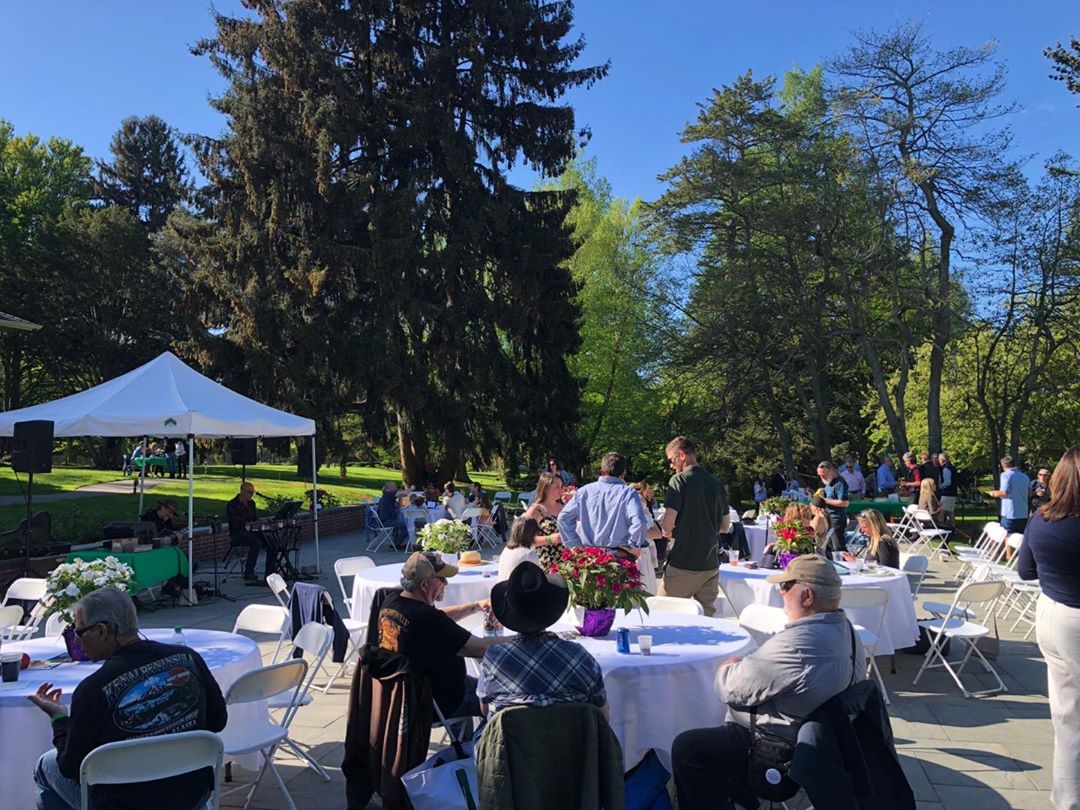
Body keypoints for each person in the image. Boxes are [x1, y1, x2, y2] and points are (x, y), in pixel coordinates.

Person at [671, 555, 863, 809]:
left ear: (807, 596)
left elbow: (730, 687)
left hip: (774, 745)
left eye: (785, 586)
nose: (780, 592)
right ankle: (740, 797)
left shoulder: (799, 644)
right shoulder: (846, 629)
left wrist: (726, 668)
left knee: (687, 747)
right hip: (824, 738)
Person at [29, 587, 227, 810]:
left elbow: (71, 767)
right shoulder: (188, 657)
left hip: (124, 803)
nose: (76, 639)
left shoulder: (92, 690)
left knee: (44, 765)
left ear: (102, 630)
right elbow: (218, 721)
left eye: (79, 631)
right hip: (191, 795)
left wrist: (59, 720)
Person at [1018, 446, 1080, 809]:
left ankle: (1068, 799)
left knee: (1068, 718)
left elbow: (1025, 571)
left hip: (1050, 615)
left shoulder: (1041, 519)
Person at [377, 552, 506, 720]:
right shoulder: (427, 619)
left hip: (404, 697)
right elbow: (479, 648)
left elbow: (437, 615)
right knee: (505, 699)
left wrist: (474, 606)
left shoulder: (392, 601)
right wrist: (526, 638)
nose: (446, 582)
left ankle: (465, 735)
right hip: (440, 702)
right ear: (424, 585)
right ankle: (482, 742)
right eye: (441, 579)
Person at [479, 561, 606, 716]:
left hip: (510, 739)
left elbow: (485, 711)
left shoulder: (494, 658)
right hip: (571, 739)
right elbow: (602, 714)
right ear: (551, 607)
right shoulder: (579, 655)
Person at [658, 438, 728, 617]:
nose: (671, 466)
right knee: (706, 621)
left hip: (683, 562)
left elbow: (667, 526)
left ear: (681, 455)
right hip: (710, 565)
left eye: (671, 460)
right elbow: (725, 527)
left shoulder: (679, 481)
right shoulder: (717, 484)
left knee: (662, 616)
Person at [557, 452, 648, 559]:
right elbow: (639, 522)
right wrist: (634, 545)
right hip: (619, 555)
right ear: (623, 473)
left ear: (602, 471)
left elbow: (563, 518)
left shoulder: (584, 491)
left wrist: (575, 545)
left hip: (589, 554)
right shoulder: (628, 493)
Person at [226, 481, 270, 584]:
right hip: (238, 533)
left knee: (271, 541)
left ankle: (270, 571)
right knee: (256, 543)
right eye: (250, 492)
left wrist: (260, 523)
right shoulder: (232, 504)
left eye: (253, 493)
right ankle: (249, 571)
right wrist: (248, 523)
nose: (251, 495)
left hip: (251, 531)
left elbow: (255, 518)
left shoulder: (251, 504)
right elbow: (234, 522)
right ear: (242, 491)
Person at [523, 472, 566, 572]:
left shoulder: (564, 507)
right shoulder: (536, 509)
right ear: (546, 487)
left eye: (562, 486)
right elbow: (524, 539)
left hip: (566, 562)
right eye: (557, 486)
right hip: (547, 563)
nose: (561, 490)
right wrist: (550, 539)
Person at [988, 456, 1032, 536]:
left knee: (1007, 536)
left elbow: (1004, 492)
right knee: (1019, 538)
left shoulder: (1005, 475)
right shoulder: (1025, 477)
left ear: (1003, 465)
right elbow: (1029, 494)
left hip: (1010, 513)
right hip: (1023, 513)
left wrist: (993, 493)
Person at [816, 461, 850, 549]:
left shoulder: (839, 483)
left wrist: (825, 500)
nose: (821, 477)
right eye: (819, 475)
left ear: (831, 471)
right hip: (828, 519)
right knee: (829, 548)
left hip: (836, 519)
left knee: (838, 548)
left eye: (823, 474)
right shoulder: (828, 483)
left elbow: (844, 502)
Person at [377, 482, 408, 548]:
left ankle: (396, 543)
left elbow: (399, 506)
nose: (396, 488)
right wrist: (411, 488)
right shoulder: (388, 494)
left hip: (390, 519)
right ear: (390, 488)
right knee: (406, 525)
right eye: (394, 486)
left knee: (399, 522)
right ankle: (397, 543)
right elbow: (405, 493)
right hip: (386, 521)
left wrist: (400, 497)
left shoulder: (390, 497)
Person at [937, 452, 958, 524]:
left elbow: (947, 482)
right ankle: (953, 528)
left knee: (941, 512)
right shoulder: (952, 467)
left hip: (947, 493)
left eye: (939, 459)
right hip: (953, 493)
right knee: (950, 512)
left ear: (943, 460)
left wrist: (940, 487)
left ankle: (940, 528)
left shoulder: (946, 469)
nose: (938, 461)